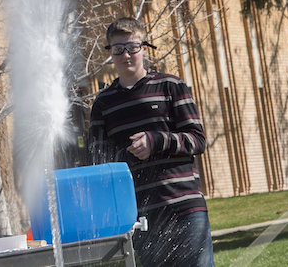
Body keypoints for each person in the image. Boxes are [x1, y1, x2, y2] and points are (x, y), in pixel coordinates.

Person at [89, 17, 213, 267]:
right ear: (110, 53)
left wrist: (155, 141)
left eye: (132, 47)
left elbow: (197, 140)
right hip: (140, 217)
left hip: (184, 207)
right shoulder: (103, 104)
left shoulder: (171, 86)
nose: (126, 55)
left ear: (144, 48)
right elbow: (98, 164)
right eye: (118, 49)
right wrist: (129, 154)